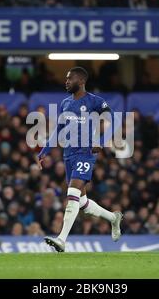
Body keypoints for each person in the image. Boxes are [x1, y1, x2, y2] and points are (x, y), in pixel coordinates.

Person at [36, 67, 123, 252]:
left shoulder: (94, 101)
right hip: (69, 154)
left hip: (86, 153)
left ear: (81, 81)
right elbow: (58, 130)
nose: (66, 81)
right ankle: (113, 218)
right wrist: (44, 150)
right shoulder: (65, 103)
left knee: (72, 194)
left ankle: (61, 239)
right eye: (66, 79)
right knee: (82, 202)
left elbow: (115, 119)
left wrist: (102, 140)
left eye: (70, 79)